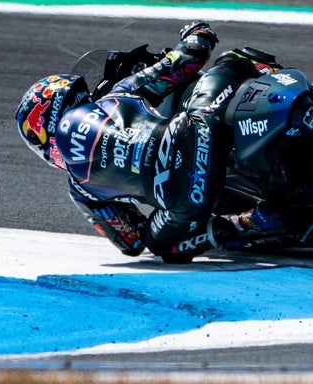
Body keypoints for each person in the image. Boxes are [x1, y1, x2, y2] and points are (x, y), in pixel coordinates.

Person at [15, 22, 287, 263]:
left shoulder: (80, 190)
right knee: (232, 60)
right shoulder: (116, 95)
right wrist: (198, 34)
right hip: (200, 131)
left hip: (185, 201)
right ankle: (280, 86)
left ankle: (246, 223)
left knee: (163, 246)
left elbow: (132, 241)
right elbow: (182, 62)